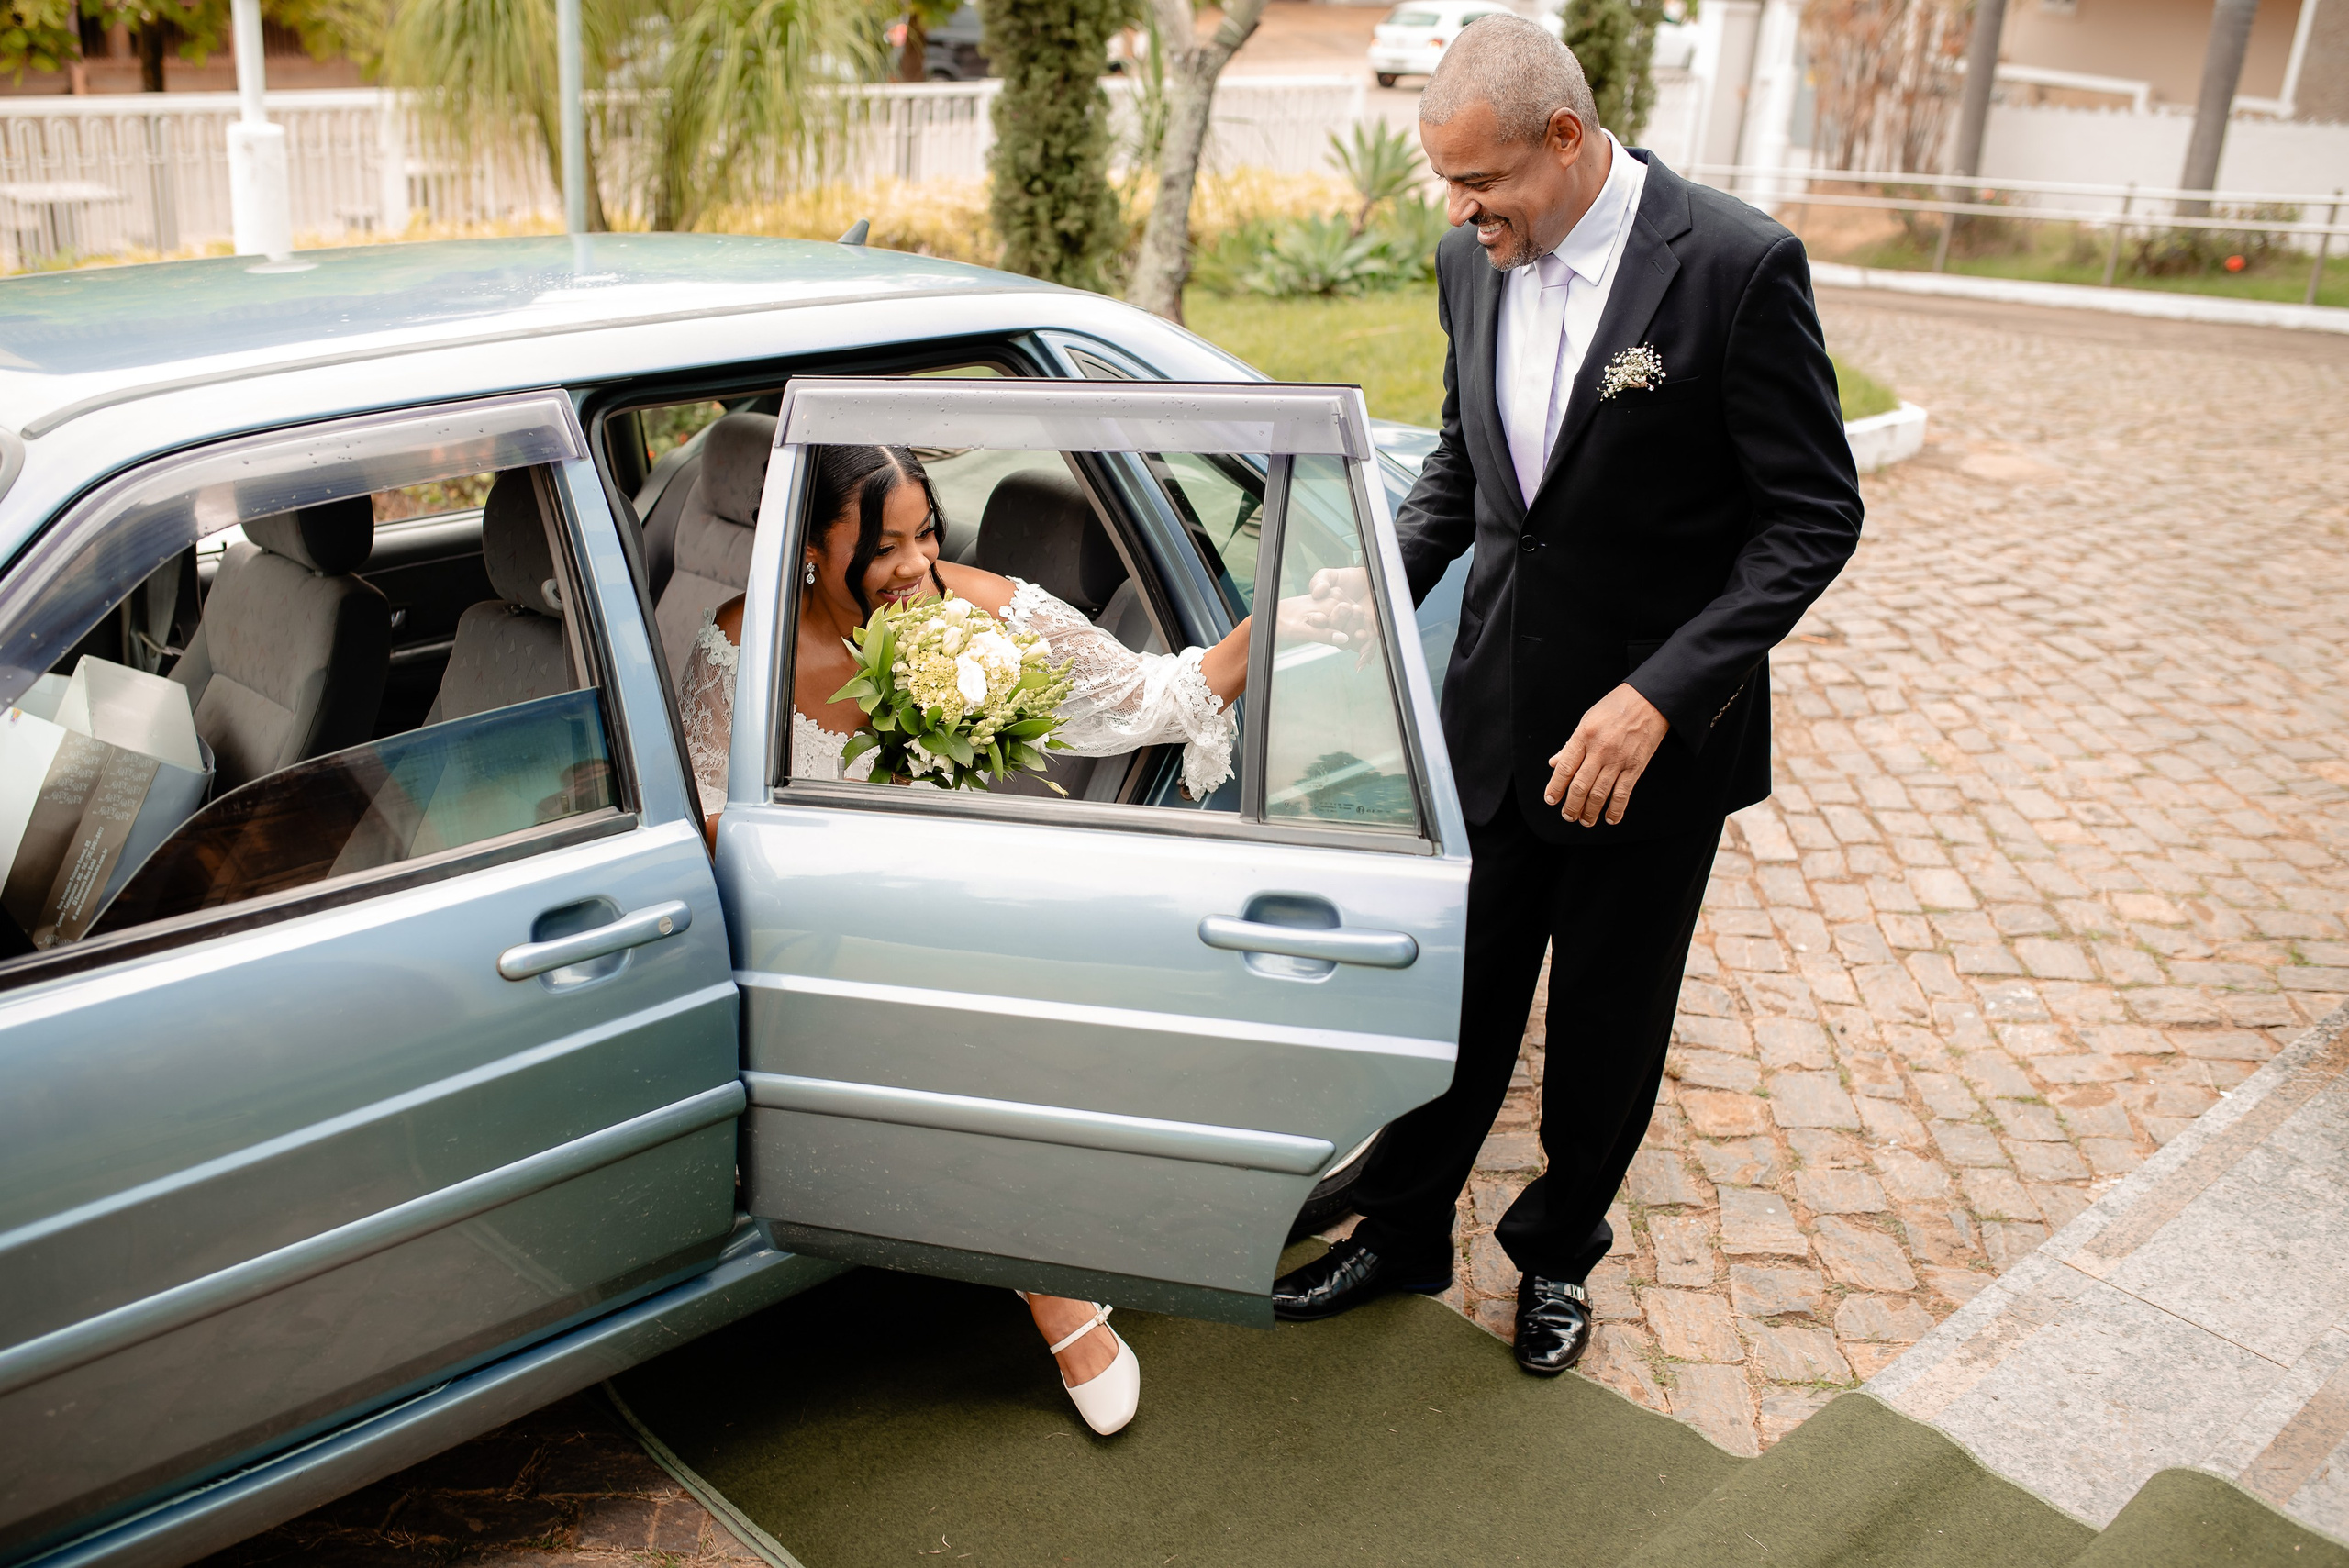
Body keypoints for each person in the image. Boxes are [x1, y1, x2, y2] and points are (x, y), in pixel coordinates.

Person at [1271, 17, 1864, 1374]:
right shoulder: (1464, 263)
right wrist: (1379, 579)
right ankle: (1405, 1231)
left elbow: (1812, 519)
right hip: (1491, 713)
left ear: (1567, 138)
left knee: (1606, 1024)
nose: (1464, 213)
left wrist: (1661, 695)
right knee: (1457, 1002)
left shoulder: (1735, 265)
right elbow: (1469, 479)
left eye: (1485, 184)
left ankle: (1555, 1256)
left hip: (1649, 748)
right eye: (1448, 188)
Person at [675, 442, 1253, 1435]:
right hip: (788, 934)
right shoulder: (737, 644)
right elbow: (702, 823)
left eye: (927, 534)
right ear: (811, 548)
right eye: (884, 543)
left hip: (930, 925)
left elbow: (1156, 695)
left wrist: (1280, 620)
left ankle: (1050, 1287)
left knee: (943, 1000)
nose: (915, 566)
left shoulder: (972, 615)